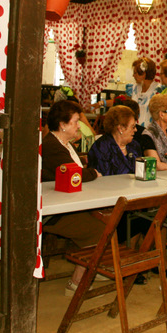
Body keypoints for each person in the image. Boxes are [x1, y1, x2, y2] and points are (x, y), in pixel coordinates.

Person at [40, 100, 104, 296]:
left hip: (67, 203)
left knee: (107, 217)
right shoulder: (52, 146)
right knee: (100, 230)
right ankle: (76, 283)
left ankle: (93, 266)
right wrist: (94, 173)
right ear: (63, 124)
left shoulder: (64, 144)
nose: (79, 126)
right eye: (76, 122)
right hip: (53, 211)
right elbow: (76, 175)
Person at [87, 105, 141, 175]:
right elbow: (103, 176)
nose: (135, 130)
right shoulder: (101, 147)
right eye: (133, 127)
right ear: (120, 128)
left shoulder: (134, 146)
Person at [130, 57, 158, 127]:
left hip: (150, 132)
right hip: (134, 130)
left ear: (144, 74)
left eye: (135, 73)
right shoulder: (133, 88)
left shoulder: (158, 90)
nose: (133, 75)